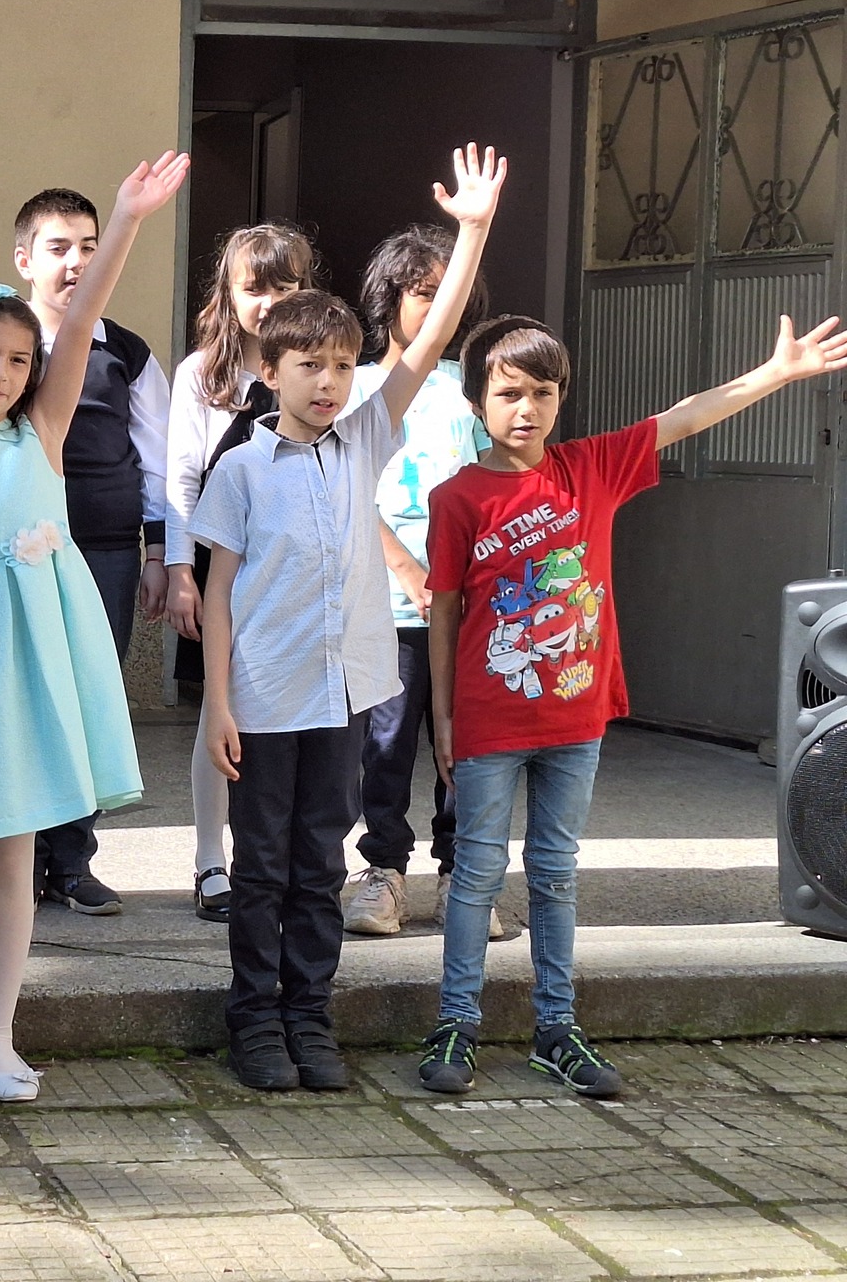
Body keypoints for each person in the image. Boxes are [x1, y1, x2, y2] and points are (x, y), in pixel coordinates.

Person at [418, 308, 847, 1099]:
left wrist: (776, 373)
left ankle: (557, 1029)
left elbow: (685, 417)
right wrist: (443, 720)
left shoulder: (592, 468)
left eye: (543, 392)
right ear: (477, 401)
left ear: (561, 398)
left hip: (576, 721)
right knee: (476, 874)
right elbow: (444, 612)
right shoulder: (457, 498)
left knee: (555, 874)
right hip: (487, 722)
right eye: (508, 393)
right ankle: (456, 1024)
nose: (526, 408)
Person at [0, 151, 189, 1109]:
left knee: (14, 856)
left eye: (19, 361)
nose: (2, 374)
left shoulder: (40, 432)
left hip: (34, 660)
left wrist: (127, 219)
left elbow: (83, 315)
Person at [193, 145, 505, 1093]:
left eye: (339, 366)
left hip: (342, 696)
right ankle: (255, 1021)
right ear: (270, 371)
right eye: (308, 367)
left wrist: (473, 231)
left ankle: (309, 1017)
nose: (328, 382)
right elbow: (217, 591)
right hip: (262, 699)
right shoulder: (242, 468)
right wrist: (217, 704)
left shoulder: (366, 437)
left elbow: (430, 339)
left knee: (320, 861)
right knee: (263, 865)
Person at [12, 188, 174, 918]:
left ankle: (72, 862)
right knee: (23, 698)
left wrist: (158, 553)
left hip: (105, 551)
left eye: (88, 246)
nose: (75, 262)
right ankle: (17, 859)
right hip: (14, 551)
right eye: (59, 248)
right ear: (24, 260)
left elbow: (160, 460)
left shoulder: (127, 352)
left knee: (87, 700)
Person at [343, 226, 492, 939]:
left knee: (469, 746)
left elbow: (497, 485)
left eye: (446, 294)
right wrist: (405, 567)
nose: (437, 308)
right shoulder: (355, 385)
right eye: (422, 293)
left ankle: (465, 877)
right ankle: (383, 872)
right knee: (387, 746)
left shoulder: (473, 390)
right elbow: (343, 492)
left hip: (467, 607)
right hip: (388, 608)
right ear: (389, 297)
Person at [162, 225, 313, 920]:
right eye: (254, 288)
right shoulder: (204, 374)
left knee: (290, 716)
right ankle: (209, 861)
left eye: (285, 286)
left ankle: (277, 859)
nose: (268, 302)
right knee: (216, 711)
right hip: (217, 565)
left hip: (292, 570)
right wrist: (178, 570)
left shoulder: (316, 371)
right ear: (228, 291)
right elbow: (181, 477)